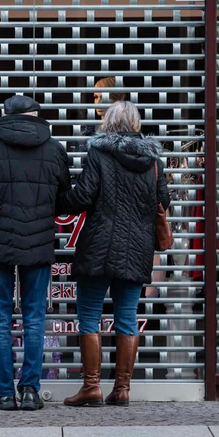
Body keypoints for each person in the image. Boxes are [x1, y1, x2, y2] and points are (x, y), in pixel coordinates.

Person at [57, 101, 170, 407]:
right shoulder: (153, 159)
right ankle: (122, 389)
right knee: (127, 318)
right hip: (138, 248)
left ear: (107, 122)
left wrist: (56, 200)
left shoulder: (99, 153)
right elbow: (164, 200)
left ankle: (91, 386)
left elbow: (83, 195)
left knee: (90, 316)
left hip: (99, 247)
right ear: (136, 124)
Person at [0, 95, 71, 411]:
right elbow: (63, 200)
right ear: (34, 115)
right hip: (37, 243)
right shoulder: (54, 148)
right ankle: (30, 392)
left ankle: (4, 393)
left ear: (6, 115)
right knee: (35, 316)